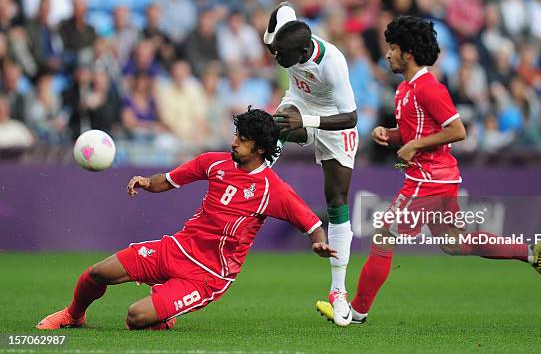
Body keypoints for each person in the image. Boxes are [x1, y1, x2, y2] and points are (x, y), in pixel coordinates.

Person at [316, 16, 541, 325]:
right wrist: (389, 135)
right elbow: (415, 132)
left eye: (392, 48)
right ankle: (532, 253)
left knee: (383, 235)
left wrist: (414, 146)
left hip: (427, 178)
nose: (387, 54)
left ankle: (356, 311)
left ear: (409, 53)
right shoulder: (405, 89)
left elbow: (458, 130)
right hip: (441, 178)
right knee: (455, 243)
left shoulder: (429, 88)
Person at [36, 107, 336, 330]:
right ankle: (73, 315)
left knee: (135, 318)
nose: (234, 143)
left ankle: (165, 311)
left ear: (259, 149)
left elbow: (311, 223)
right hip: (176, 249)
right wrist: (145, 181)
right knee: (98, 272)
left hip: (208, 275)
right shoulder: (214, 162)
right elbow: (167, 179)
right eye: (236, 136)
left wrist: (319, 243)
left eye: (242, 140)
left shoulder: (274, 189)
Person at [264, 3, 358, 326]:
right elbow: (283, 9)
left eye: (282, 56)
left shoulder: (332, 63)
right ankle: (256, 178)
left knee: (337, 199)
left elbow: (351, 117)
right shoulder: (285, 37)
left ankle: (338, 291)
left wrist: (308, 120)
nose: (277, 59)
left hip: (333, 118)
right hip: (300, 104)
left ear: (303, 52)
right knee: (273, 126)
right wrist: (272, 30)